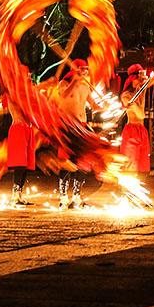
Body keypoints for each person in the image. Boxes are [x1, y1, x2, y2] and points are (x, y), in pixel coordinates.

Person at [56, 59, 98, 209]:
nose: (85, 72)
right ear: (76, 69)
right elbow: (64, 96)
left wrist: (100, 106)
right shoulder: (64, 83)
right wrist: (75, 80)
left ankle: (76, 196)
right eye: (82, 69)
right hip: (68, 126)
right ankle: (63, 197)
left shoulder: (86, 85)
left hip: (83, 125)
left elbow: (92, 104)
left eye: (87, 69)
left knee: (84, 162)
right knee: (67, 162)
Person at [4, 93, 36, 206]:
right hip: (18, 129)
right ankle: (14, 195)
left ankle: (19, 195)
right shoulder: (13, 93)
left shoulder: (24, 93)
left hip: (27, 130)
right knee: (20, 164)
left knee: (26, 164)